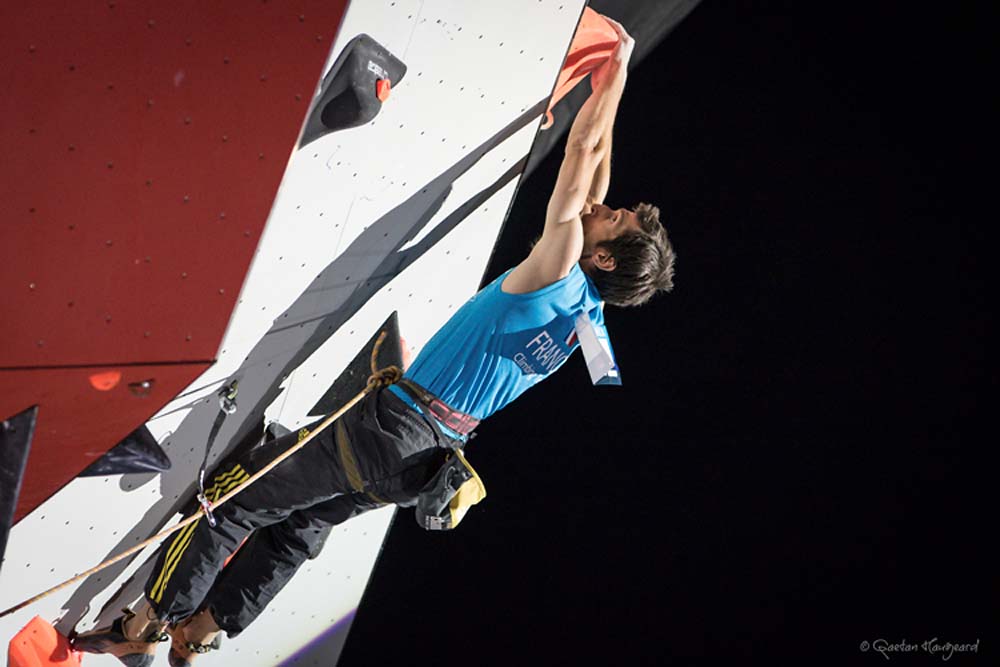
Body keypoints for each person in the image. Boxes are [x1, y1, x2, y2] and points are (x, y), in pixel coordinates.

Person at [73, 18, 674, 667]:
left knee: (237, 500)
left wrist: (614, 67)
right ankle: (205, 632)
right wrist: (617, 73)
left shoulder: (556, 271)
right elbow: (597, 177)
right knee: (301, 527)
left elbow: (582, 160)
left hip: (396, 427)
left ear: (606, 259)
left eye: (613, 219)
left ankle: (149, 623)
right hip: (430, 458)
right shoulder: (585, 318)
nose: (600, 206)